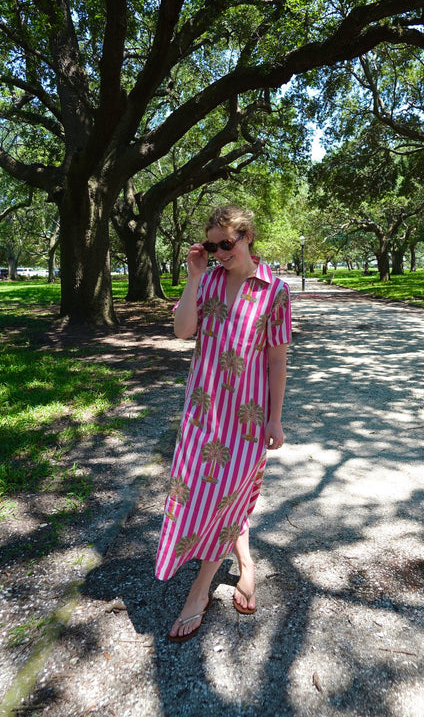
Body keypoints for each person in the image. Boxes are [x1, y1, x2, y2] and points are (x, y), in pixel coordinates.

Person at [155, 205, 292, 642]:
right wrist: (194, 276)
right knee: (210, 492)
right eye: (212, 245)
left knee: (227, 494)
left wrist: (275, 418)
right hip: (202, 410)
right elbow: (182, 331)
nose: (218, 252)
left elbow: (276, 360)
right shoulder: (208, 279)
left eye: (226, 244)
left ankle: (200, 592)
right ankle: (246, 564)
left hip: (247, 416)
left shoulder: (275, 291)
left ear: (247, 236)